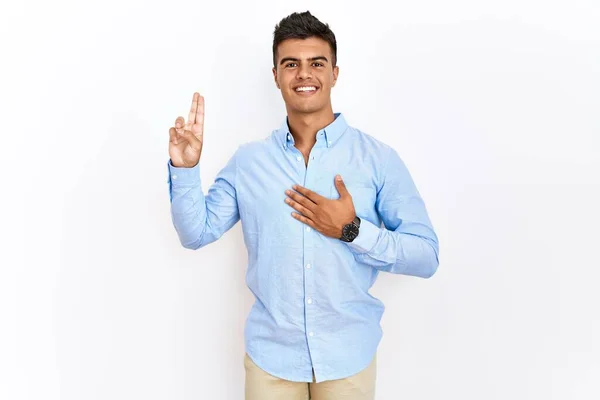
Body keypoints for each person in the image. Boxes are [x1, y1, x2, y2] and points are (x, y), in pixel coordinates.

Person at [166, 10, 439, 400]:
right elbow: (196, 233)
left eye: (317, 63)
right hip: (271, 361)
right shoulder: (249, 162)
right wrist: (185, 167)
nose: (304, 74)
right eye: (291, 64)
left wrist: (352, 230)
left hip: (348, 359)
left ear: (334, 74)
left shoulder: (377, 159)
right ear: (275, 75)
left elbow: (426, 255)